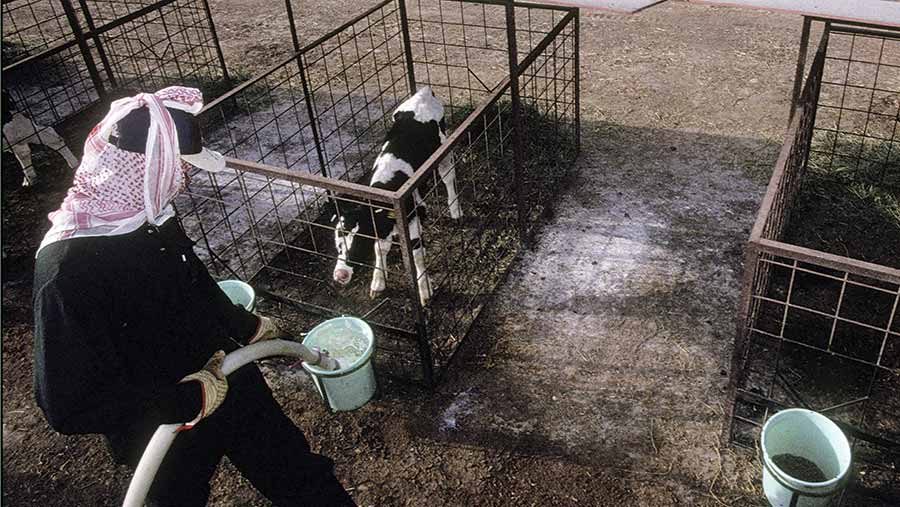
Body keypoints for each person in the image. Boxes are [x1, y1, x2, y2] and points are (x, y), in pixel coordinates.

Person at [32, 86, 356, 507]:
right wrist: (185, 399)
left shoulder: (149, 214)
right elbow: (67, 403)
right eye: (178, 168)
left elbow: (191, 281)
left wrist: (245, 326)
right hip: (158, 423)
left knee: (299, 474)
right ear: (146, 169)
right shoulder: (67, 274)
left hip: (225, 374)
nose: (184, 180)